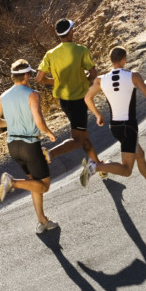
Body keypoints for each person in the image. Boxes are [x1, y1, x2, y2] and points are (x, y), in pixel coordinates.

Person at [82, 46, 146, 203]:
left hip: (115, 127)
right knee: (126, 170)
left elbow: (87, 98)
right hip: (129, 127)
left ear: (111, 60)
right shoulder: (133, 76)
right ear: (124, 59)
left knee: (140, 155)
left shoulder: (101, 80)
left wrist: (98, 115)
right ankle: (95, 167)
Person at [0, 59, 59, 233]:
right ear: (26, 75)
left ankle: (42, 221)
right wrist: (48, 132)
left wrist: (12, 123)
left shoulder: (4, 96)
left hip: (13, 145)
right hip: (29, 145)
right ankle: (12, 183)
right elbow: (39, 120)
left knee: (34, 183)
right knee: (44, 186)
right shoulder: (32, 94)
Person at [35, 18, 101, 176]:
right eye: (73, 29)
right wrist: (82, 79)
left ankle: (99, 166)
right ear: (70, 32)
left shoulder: (50, 54)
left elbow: (39, 79)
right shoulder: (81, 50)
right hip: (78, 100)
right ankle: (50, 153)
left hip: (64, 102)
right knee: (79, 139)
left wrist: (57, 81)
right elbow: (93, 75)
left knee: (83, 136)